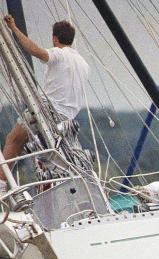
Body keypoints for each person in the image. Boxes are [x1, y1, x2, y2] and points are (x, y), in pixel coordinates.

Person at [2, 16, 90, 165]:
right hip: (67, 119)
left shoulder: (59, 54)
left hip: (46, 110)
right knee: (51, 155)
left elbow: (37, 52)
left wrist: (14, 29)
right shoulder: (83, 63)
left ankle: (1, 184)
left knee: (14, 140)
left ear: (55, 39)